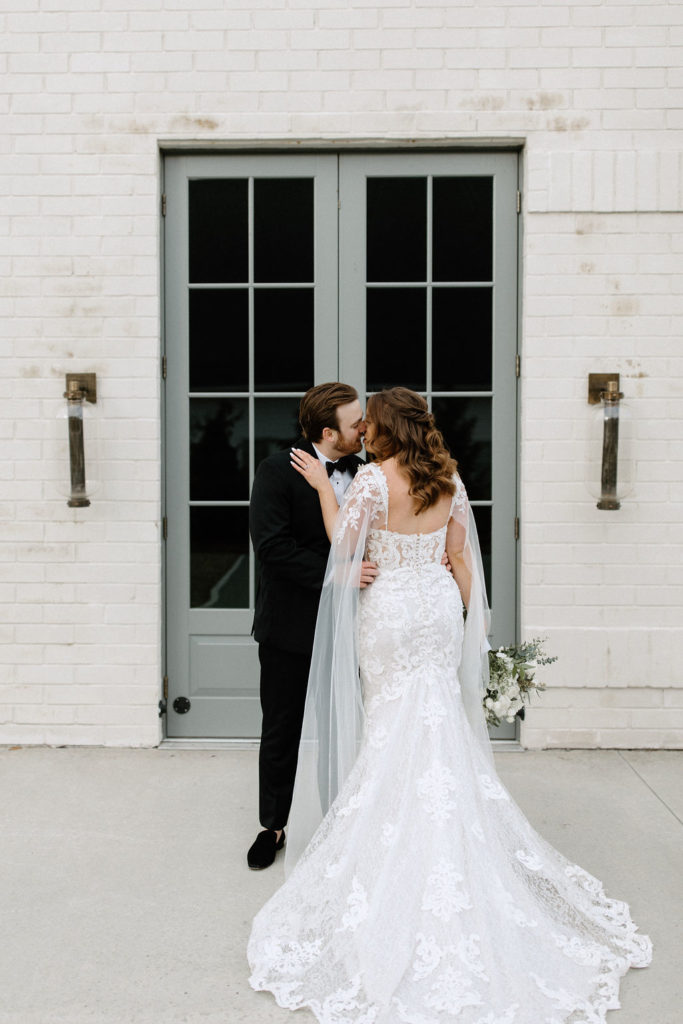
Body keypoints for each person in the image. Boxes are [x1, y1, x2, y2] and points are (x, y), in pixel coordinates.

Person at [247, 387, 652, 1022]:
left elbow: (343, 543)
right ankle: (453, 838)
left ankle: (396, 851)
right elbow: (461, 558)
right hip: (435, 608)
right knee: (436, 723)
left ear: (385, 431)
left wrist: (330, 495)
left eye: (371, 425)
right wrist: (472, 630)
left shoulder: (374, 483)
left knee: (393, 728)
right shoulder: (449, 477)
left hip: (390, 614)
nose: (365, 434)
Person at [247, 382, 375, 871]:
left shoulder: (367, 473)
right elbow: (273, 550)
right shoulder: (278, 471)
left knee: (349, 724)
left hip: (356, 626)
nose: (364, 428)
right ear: (329, 431)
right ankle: (274, 826)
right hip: (289, 629)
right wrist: (336, 574)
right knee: (283, 727)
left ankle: (342, 820)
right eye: (356, 422)